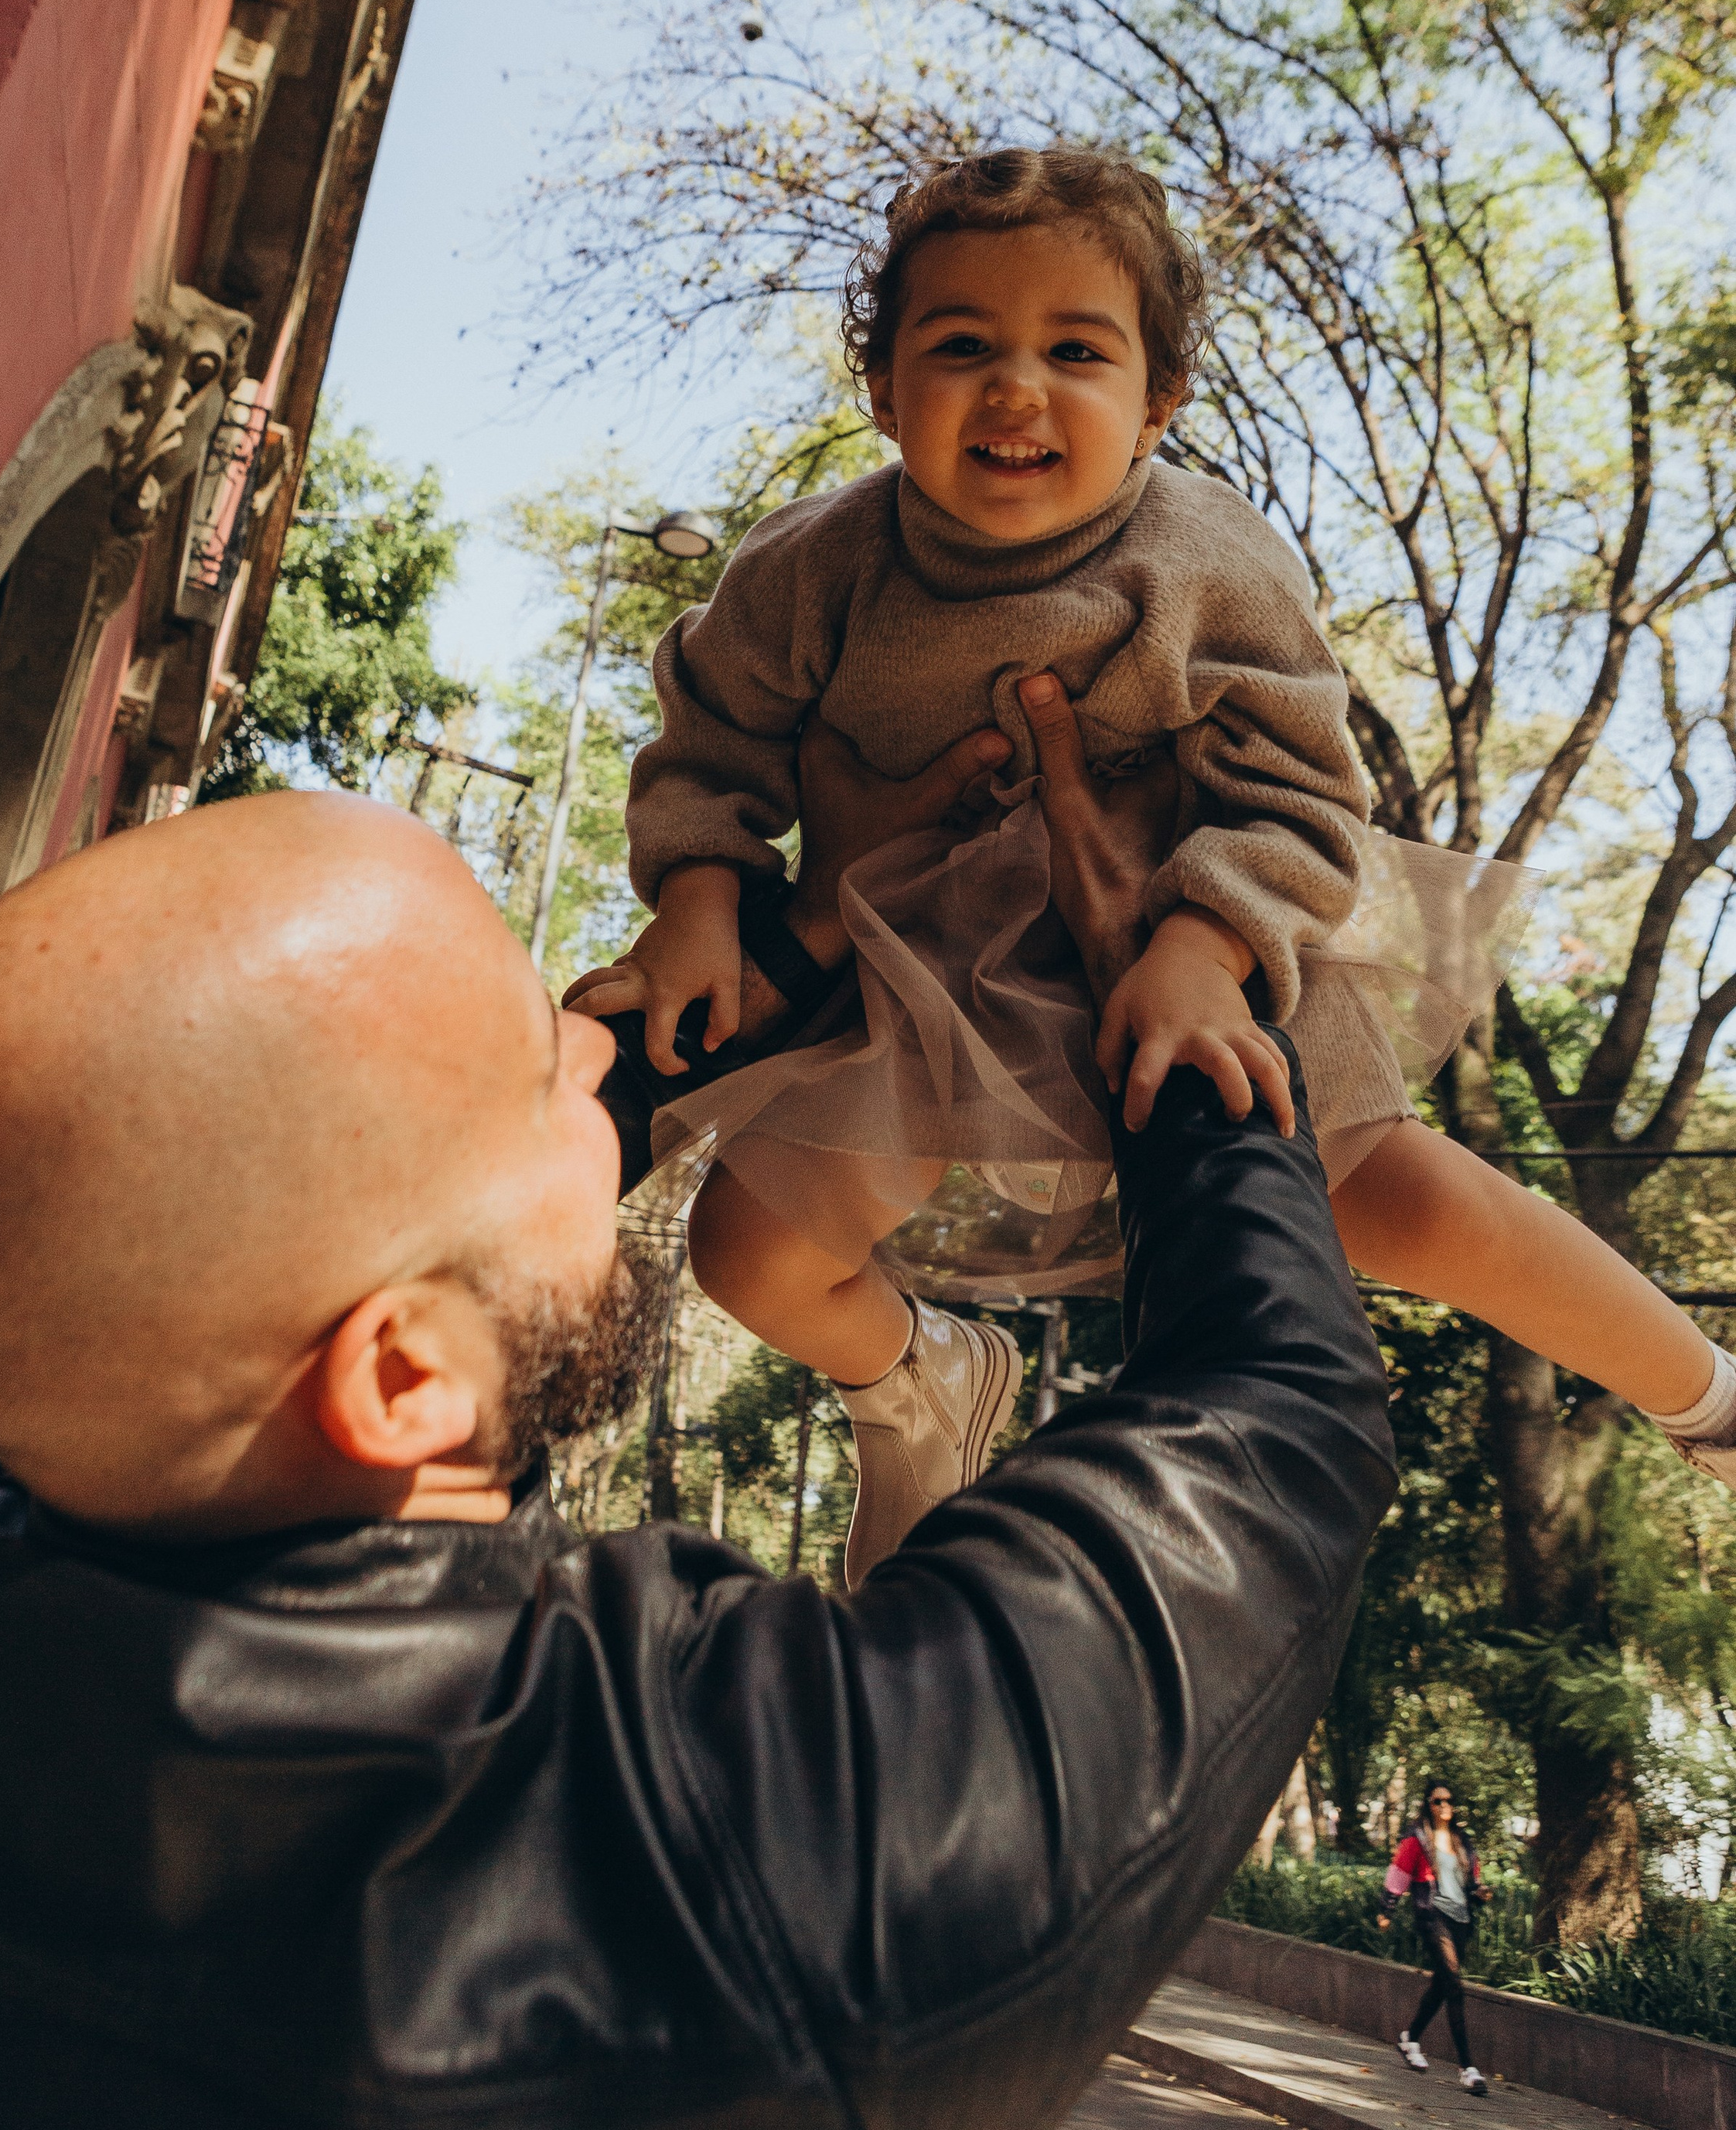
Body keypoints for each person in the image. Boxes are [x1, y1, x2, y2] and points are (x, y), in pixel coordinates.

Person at [0, 735, 1394, 2125]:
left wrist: (806, 934)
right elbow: (1271, 1420)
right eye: (549, 1069)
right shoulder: (750, 1876)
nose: (602, 1051)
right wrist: (1179, 1027)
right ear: (402, 1384)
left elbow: (352, 1272)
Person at [571, 146, 1736, 1589]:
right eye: (960, 346)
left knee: (1404, 1202)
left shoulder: (1205, 557)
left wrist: (1205, 946)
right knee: (747, 1251)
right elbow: (714, 736)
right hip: (923, 972)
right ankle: (916, 1382)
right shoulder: (812, 567)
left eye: (1076, 349)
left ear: (1157, 402)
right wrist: (695, 894)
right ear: (882, 393)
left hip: (1189, 940)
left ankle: (1710, 1395)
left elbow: (1303, 784)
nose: (1016, 387)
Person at [1382, 1781, 1492, 2095]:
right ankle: (1468, 2068)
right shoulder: (1417, 1838)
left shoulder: (1462, 1841)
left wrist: (1480, 1891)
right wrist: (1386, 1909)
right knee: (1455, 1983)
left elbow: (1471, 1880)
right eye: (1437, 1800)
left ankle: (1410, 2037)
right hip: (1432, 1916)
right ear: (1428, 1805)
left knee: (1442, 1985)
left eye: (1448, 1800)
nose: (1444, 1805)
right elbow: (1399, 1873)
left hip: (1461, 1919)